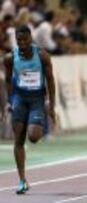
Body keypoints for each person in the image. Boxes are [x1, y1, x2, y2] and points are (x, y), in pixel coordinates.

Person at [4, 25, 56, 194]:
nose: (22, 43)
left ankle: (36, 122)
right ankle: (22, 180)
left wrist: (52, 105)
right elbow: (7, 80)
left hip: (36, 100)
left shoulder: (41, 55)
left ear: (31, 39)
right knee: (18, 139)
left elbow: (50, 80)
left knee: (33, 137)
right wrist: (9, 101)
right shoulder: (10, 57)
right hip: (19, 99)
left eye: (25, 39)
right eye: (19, 40)